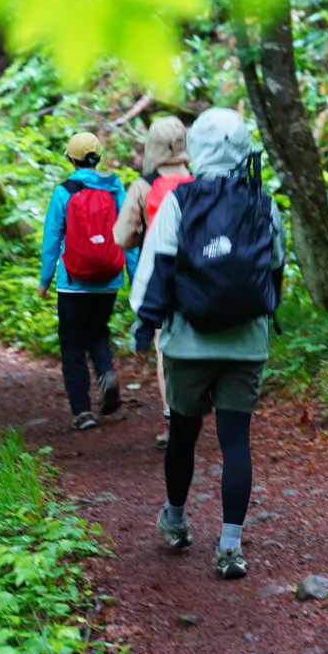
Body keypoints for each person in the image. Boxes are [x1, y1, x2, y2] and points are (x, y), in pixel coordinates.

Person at [129, 108, 285, 579]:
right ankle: (231, 546)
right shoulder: (264, 202)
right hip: (245, 342)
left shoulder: (181, 201)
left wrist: (145, 323)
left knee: (183, 431)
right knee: (236, 440)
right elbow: (275, 270)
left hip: (187, 343)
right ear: (243, 148)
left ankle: (176, 521)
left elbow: (159, 266)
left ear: (198, 148)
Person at [39, 132, 138, 430]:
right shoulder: (115, 188)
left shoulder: (63, 192)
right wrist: (134, 277)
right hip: (108, 280)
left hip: (72, 282)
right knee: (97, 333)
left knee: (71, 343)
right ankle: (106, 372)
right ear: (98, 157)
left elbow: (52, 238)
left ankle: (82, 411)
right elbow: (129, 236)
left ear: (71, 158)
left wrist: (44, 279)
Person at [114, 116, 192, 450]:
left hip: (161, 276)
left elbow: (122, 237)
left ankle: (173, 418)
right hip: (202, 274)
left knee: (165, 346)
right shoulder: (201, 179)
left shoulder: (143, 186)